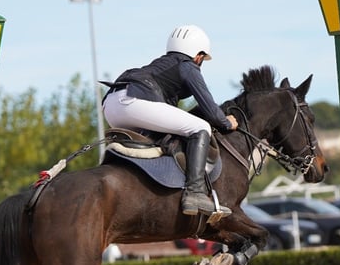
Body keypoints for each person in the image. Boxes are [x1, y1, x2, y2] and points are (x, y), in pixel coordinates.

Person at [102, 24, 239, 217]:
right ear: (198, 56)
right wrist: (226, 122)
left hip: (111, 105)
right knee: (201, 127)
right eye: (202, 59)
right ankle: (195, 193)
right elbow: (210, 109)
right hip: (133, 101)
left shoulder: (163, 64)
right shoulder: (188, 66)